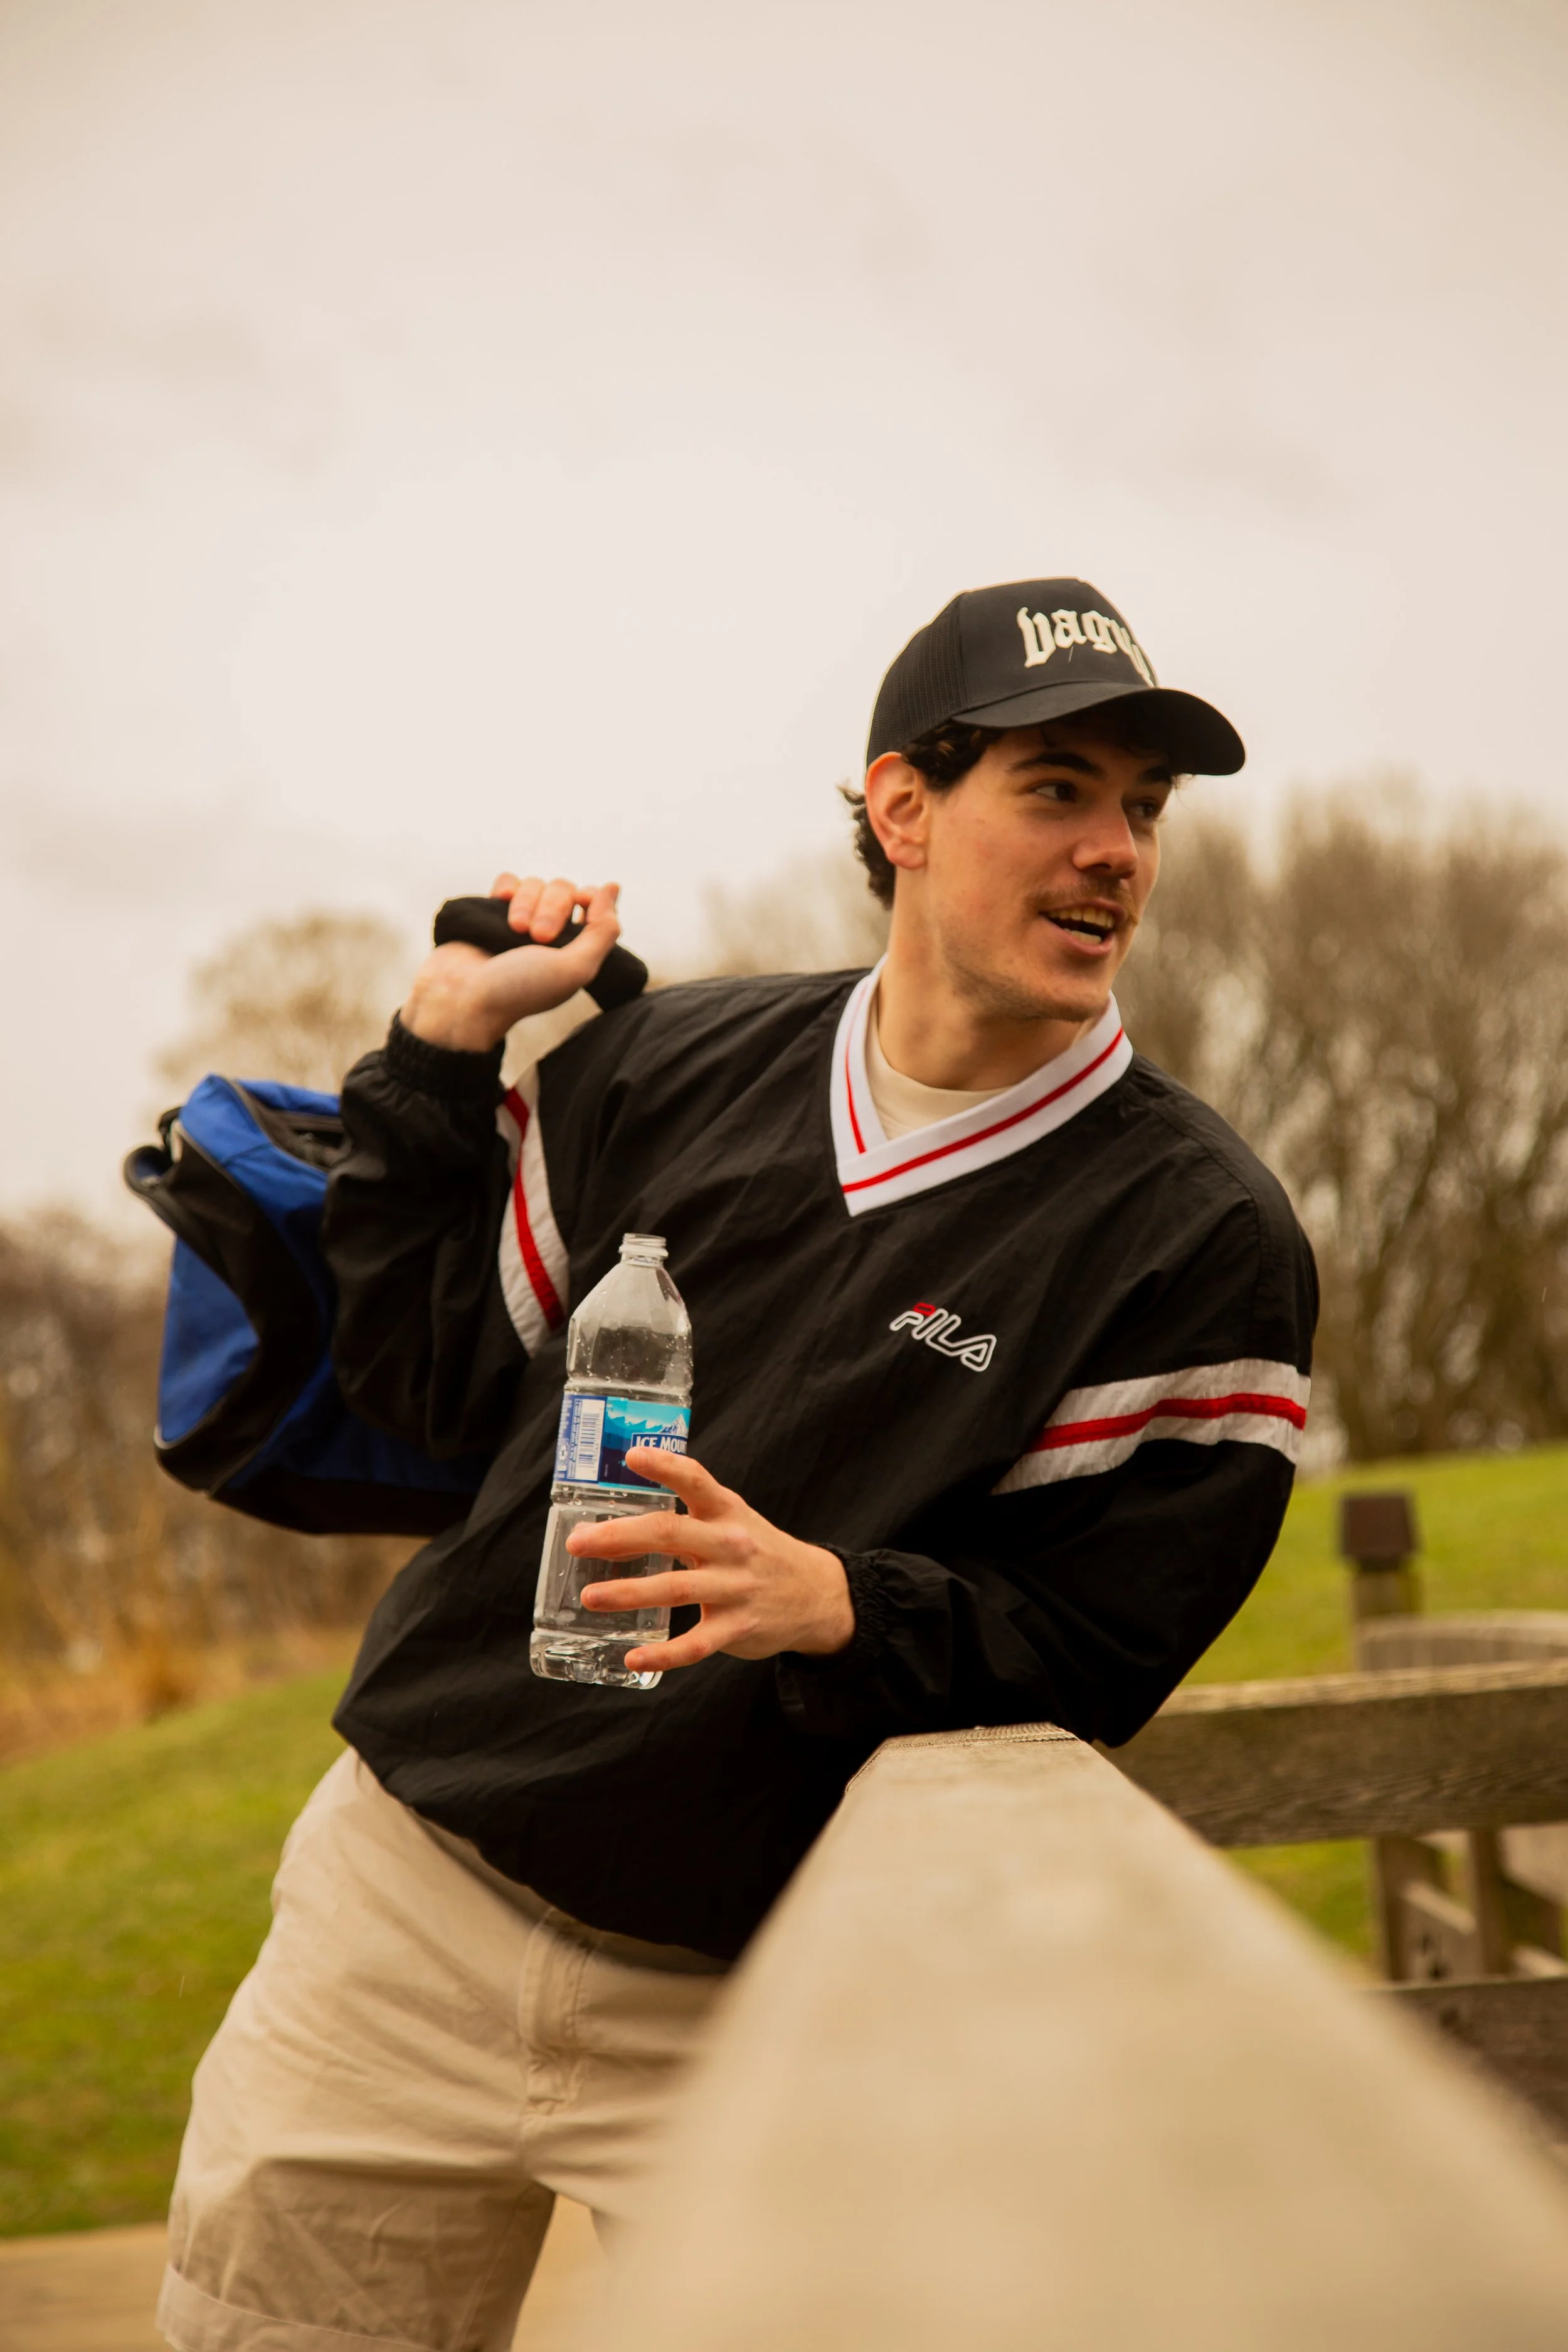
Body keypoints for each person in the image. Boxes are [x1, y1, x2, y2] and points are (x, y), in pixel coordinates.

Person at [157, 578, 1316, 2352]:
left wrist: (839, 1601)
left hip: (776, 1998)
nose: (1113, 854)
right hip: (398, 1906)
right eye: (1059, 789)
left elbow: (1098, 1641)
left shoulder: (1198, 1237)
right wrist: (443, 1053)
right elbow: (428, 1387)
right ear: (902, 808)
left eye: (1141, 811)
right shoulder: (665, 1063)